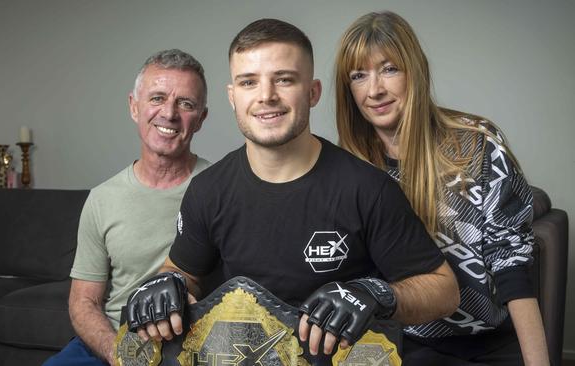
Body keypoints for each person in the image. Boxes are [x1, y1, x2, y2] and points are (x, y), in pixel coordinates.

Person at [125, 18, 459, 357]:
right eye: (249, 82)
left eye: (284, 80)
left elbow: (444, 290)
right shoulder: (208, 191)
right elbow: (183, 270)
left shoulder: (367, 189)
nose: (266, 96)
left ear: (312, 92)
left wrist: (377, 294)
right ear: (232, 96)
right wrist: (168, 282)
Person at [334, 11, 549, 365]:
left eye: (389, 69)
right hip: (404, 342)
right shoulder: (351, 168)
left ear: (414, 71)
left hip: (491, 340)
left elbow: (511, 261)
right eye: (359, 76)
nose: (374, 90)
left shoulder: (477, 145)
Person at [43, 49, 210, 366]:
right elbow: (84, 301)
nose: (169, 113)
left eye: (186, 104)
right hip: (115, 342)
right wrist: (119, 356)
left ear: (201, 118)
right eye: (157, 98)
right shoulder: (102, 198)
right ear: (134, 106)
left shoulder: (220, 188)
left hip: (189, 344)